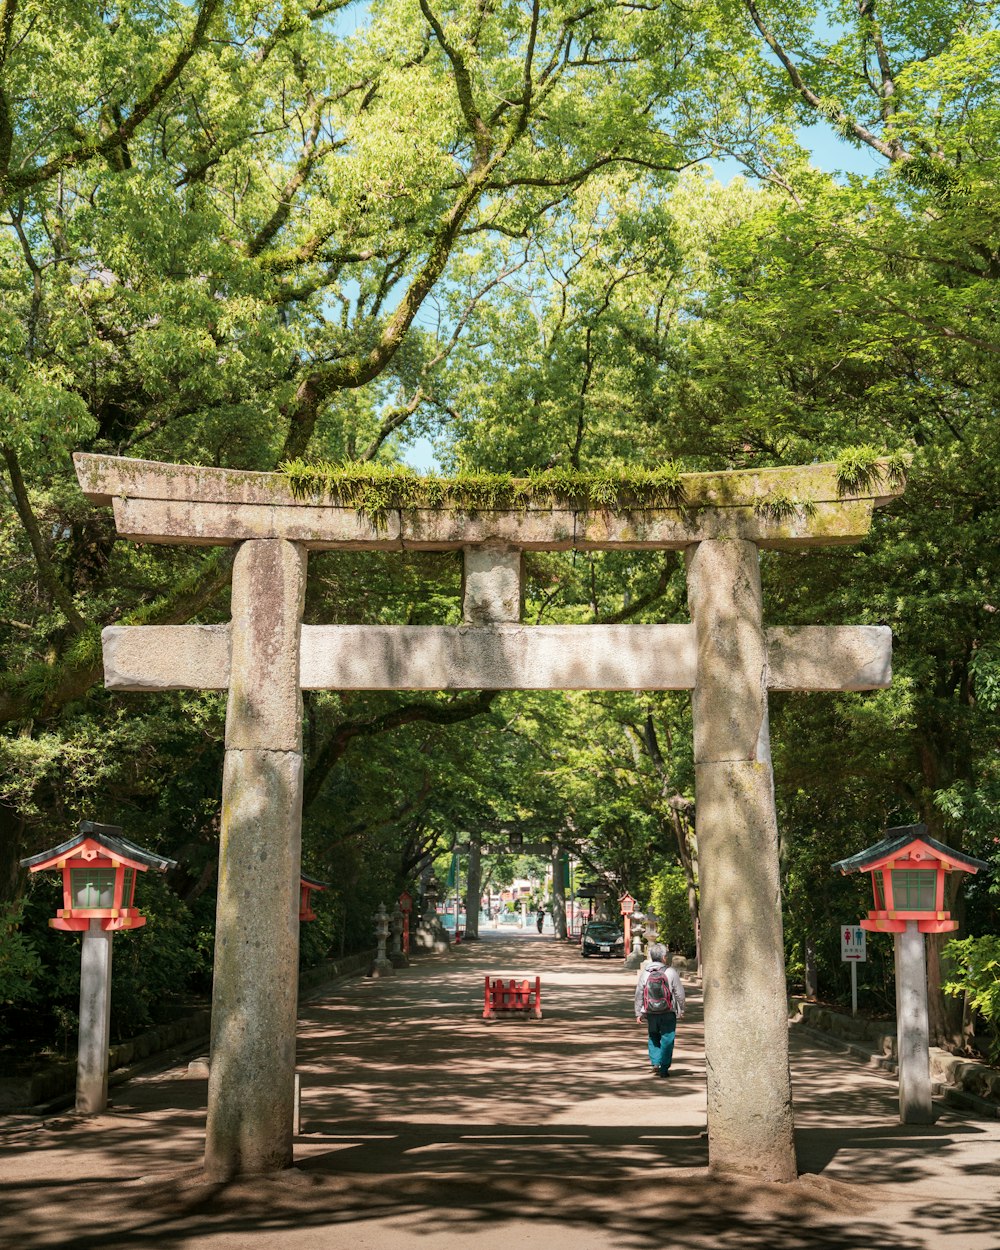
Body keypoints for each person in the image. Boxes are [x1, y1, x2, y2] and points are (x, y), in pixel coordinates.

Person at [634, 943, 685, 1077]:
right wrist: (681, 1009)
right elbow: (679, 993)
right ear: (663, 957)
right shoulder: (670, 972)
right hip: (668, 1011)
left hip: (650, 1011)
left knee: (653, 1035)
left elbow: (639, 992)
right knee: (668, 1038)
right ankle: (664, 1068)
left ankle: (656, 1063)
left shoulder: (645, 973)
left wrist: (638, 1012)